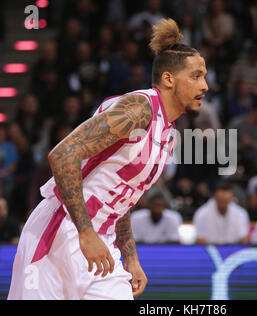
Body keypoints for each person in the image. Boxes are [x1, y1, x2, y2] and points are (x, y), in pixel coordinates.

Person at [8, 18, 208, 300]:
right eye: (197, 76)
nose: (205, 85)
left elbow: (121, 196)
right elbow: (62, 154)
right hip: (61, 230)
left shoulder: (168, 134)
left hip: (102, 239)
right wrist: (85, 232)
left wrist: (131, 257)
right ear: (169, 79)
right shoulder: (139, 108)